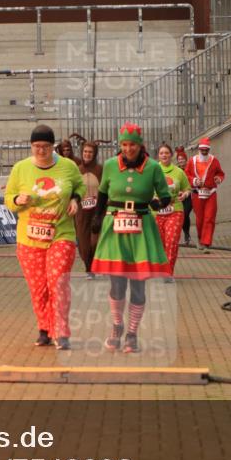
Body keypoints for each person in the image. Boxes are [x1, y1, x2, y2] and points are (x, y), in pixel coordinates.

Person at [91, 123, 172, 353]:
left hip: (141, 227)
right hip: (115, 225)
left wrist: (158, 203)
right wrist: (97, 217)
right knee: (117, 283)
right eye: (124, 145)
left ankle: (132, 333)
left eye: (132, 145)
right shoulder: (110, 165)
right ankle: (117, 326)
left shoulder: (153, 167)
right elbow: (103, 193)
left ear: (140, 145)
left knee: (138, 284)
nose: (128, 149)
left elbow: (166, 196)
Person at [5, 125, 85, 350]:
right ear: (31, 146)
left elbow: (80, 186)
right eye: (37, 146)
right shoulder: (20, 169)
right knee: (39, 287)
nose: (41, 151)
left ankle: (61, 332)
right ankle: (44, 329)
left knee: (58, 282)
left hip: (61, 233)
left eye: (46, 146)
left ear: (53, 147)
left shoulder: (68, 166)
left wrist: (75, 199)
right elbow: (9, 198)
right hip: (29, 238)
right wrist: (18, 200)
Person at [154, 143, 191, 281]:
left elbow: (187, 189)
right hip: (156, 212)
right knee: (160, 244)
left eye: (166, 153)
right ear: (158, 155)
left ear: (171, 155)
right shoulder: (153, 170)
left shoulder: (179, 172)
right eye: (161, 153)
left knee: (171, 242)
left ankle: (168, 273)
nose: (164, 155)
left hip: (175, 210)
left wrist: (185, 195)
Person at [184, 137, 225, 253]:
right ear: (199, 149)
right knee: (200, 219)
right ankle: (200, 238)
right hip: (197, 194)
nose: (204, 152)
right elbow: (186, 175)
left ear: (209, 149)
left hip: (210, 193)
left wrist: (218, 178)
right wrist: (194, 181)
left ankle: (206, 243)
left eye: (206, 150)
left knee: (209, 218)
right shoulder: (192, 161)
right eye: (202, 149)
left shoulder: (214, 160)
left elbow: (220, 173)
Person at [75, 141, 103, 278]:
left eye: (90, 152)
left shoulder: (100, 169)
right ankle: (88, 267)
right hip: (81, 213)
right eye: (85, 151)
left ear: (95, 154)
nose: (87, 154)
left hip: (97, 211)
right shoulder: (77, 170)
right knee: (83, 244)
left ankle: (93, 266)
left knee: (95, 242)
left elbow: (105, 188)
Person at [175, 146, 194, 245]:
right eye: (179, 159)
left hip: (189, 196)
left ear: (186, 159)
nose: (181, 160)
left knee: (185, 213)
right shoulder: (176, 170)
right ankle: (186, 234)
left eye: (182, 159)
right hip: (179, 196)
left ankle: (187, 234)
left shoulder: (190, 169)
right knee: (182, 216)